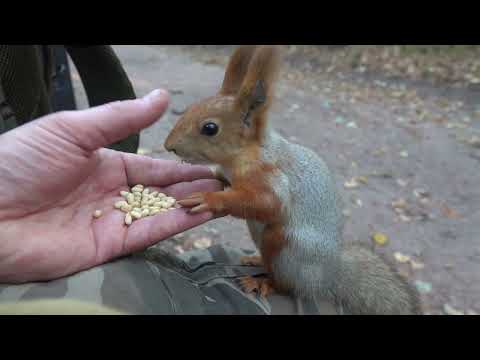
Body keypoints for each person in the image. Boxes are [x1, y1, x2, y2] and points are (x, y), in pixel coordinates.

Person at [0, 89, 337, 315]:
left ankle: (277, 279)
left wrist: (219, 200)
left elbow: (267, 205)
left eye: (207, 130)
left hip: (301, 248)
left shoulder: (261, 164)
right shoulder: (237, 163)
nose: (173, 146)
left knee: (278, 239)